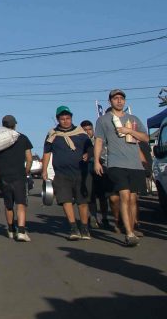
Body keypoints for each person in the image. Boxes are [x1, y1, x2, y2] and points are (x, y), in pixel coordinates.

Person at [93, 89, 149, 246]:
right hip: (116, 164)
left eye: (121, 98)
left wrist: (129, 130)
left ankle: (130, 227)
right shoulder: (104, 120)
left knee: (132, 198)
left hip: (134, 165)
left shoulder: (133, 118)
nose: (119, 101)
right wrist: (97, 161)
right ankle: (129, 234)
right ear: (110, 101)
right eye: (115, 98)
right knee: (124, 195)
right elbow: (99, 141)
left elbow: (145, 137)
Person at [41, 106, 92, 240]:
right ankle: (73, 227)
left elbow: (90, 148)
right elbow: (46, 152)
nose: (65, 121)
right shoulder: (52, 135)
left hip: (81, 172)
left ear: (71, 118)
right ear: (58, 119)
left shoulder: (80, 133)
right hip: (62, 174)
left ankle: (85, 228)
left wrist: (88, 154)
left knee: (82, 201)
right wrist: (44, 170)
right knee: (65, 200)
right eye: (62, 119)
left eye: (68, 118)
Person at [0, 115, 33, 241]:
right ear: (15, 125)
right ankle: (21, 231)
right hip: (19, 175)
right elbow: (29, 159)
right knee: (20, 203)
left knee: (8, 204)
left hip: (4, 175)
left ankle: (10, 230)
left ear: (3, 125)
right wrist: (26, 171)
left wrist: (0, 167)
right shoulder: (23, 138)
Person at [80, 120, 110, 229]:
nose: (88, 132)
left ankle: (105, 218)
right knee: (90, 196)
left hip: (100, 169)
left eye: (89, 129)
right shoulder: (81, 141)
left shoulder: (99, 139)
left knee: (103, 196)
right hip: (87, 170)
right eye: (85, 130)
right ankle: (93, 217)